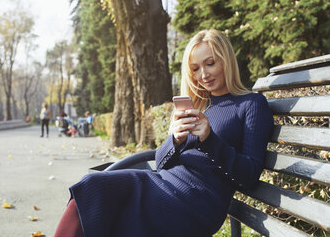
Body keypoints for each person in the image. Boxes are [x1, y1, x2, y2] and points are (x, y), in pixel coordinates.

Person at [54, 29, 274, 237]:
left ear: (226, 61)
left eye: (210, 63)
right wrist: (175, 141)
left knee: (110, 202)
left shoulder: (251, 104)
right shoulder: (199, 106)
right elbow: (160, 164)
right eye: (195, 68)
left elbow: (250, 176)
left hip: (198, 202)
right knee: (93, 186)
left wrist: (210, 139)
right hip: (163, 183)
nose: (203, 74)